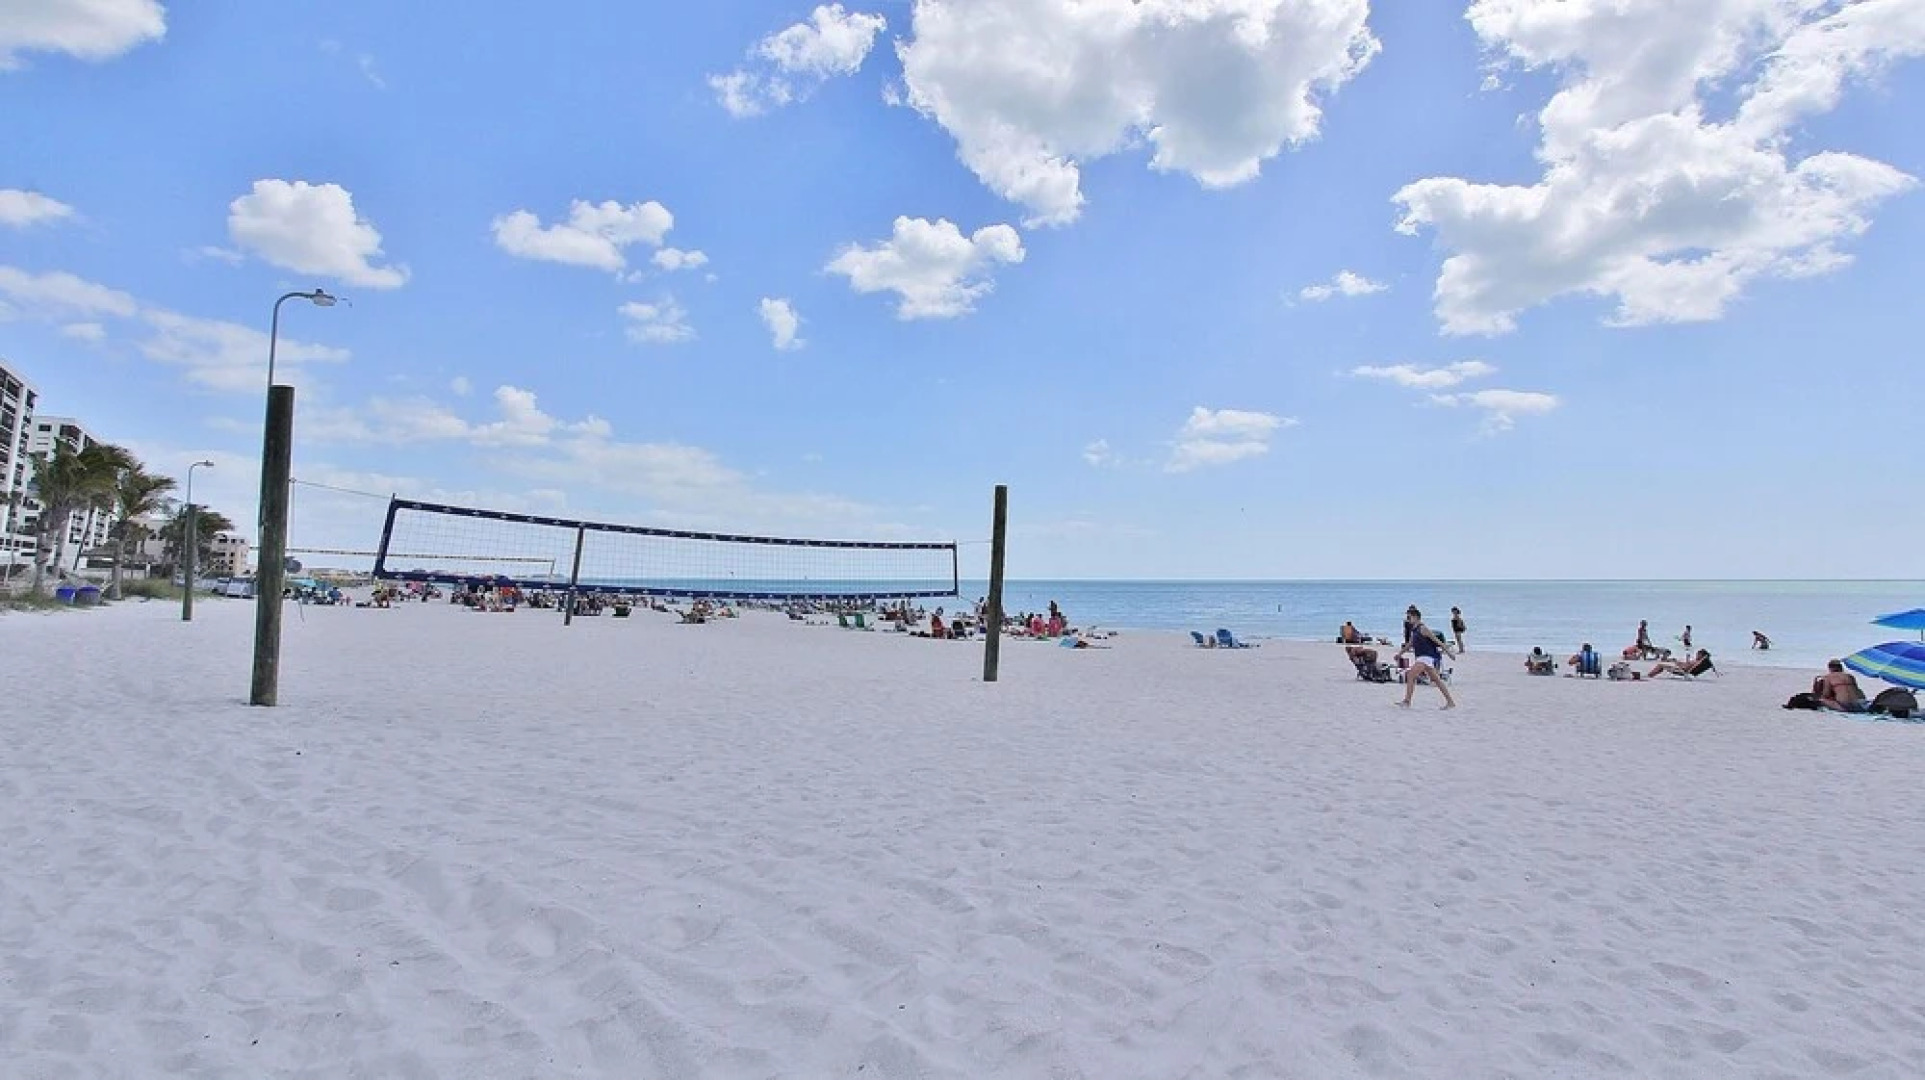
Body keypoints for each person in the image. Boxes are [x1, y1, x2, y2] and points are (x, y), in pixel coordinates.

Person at [1396, 608, 1457, 709]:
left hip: (1426, 656)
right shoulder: (1414, 630)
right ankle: (1450, 702)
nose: (1408, 619)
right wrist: (1400, 654)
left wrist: (1449, 653)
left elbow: (1437, 641)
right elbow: (1409, 644)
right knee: (1437, 680)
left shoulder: (1423, 628)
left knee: (1411, 675)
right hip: (1421, 657)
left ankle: (1407, 701)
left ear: (1415, 617)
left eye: (1409, 617)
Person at [1649, 649, 1714, 679]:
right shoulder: (1697, 661)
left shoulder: (1697, 662)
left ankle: (1650, 675)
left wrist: (1687, 659)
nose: (1696, 655)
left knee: (1661, 665)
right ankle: (1651, 675)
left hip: (1681, 670)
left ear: (1701, 655)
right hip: (1680, 668)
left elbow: (1687, 667)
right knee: (1667, 662)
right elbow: (1687, 665)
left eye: (1698, 654)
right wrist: (1677, 662)